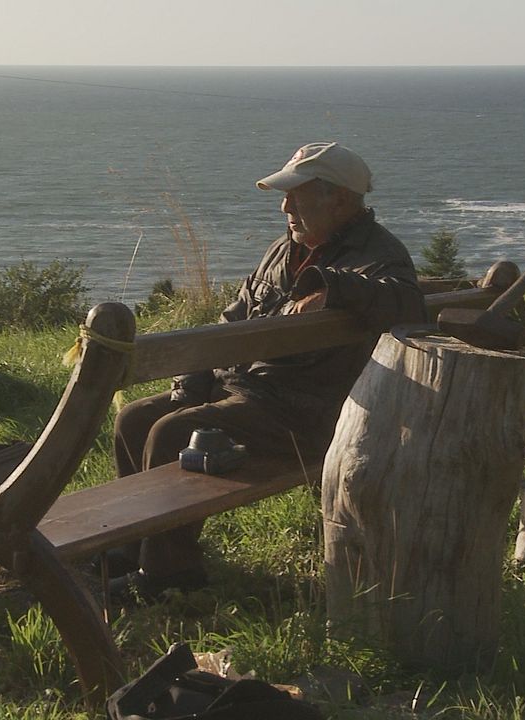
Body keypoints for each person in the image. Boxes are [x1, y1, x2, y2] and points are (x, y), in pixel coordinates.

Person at [108, 141, 427, 599]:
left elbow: (408, 303)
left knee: (171, 433)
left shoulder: (380, 254)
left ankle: (167, 576)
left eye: (295, 197)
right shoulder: (284, 248)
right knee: (134, 419)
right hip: (246, 390)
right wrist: (195, 372)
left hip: (302, 412)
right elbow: (234, 317)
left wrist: (333, 289)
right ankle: (129, 546)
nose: (284, 207)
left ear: (338, 198)